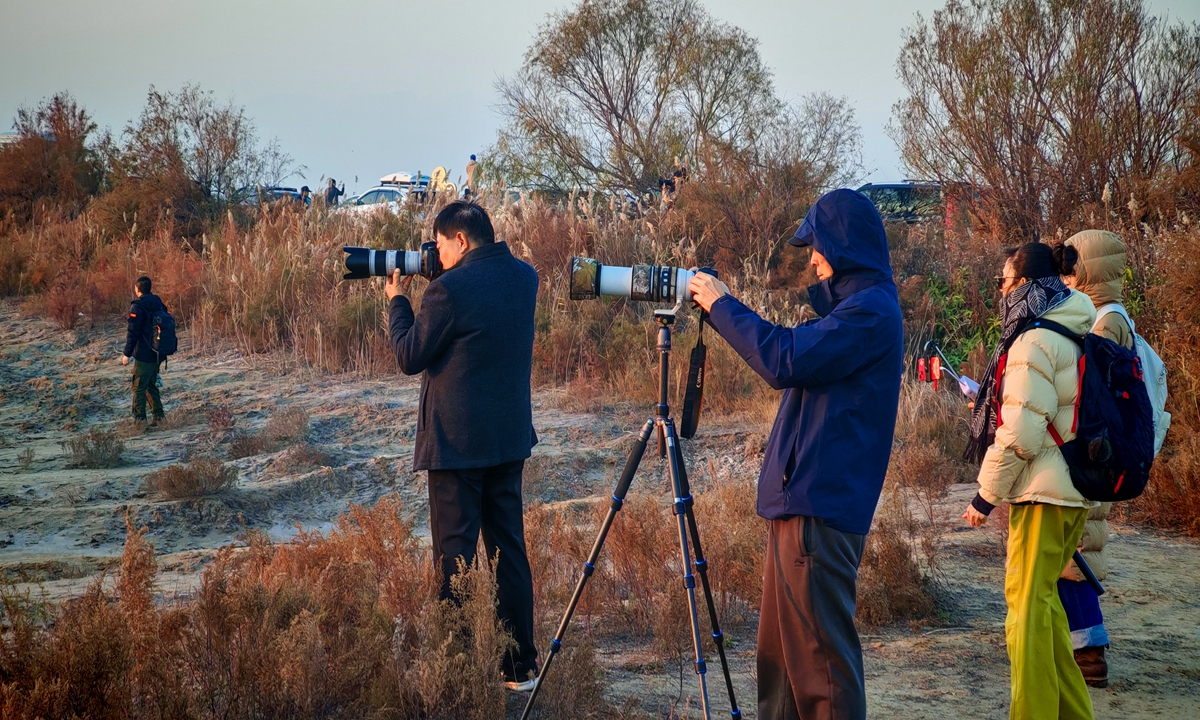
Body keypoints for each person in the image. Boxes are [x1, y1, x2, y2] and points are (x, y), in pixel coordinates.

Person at [689, 188, 904, 720]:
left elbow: (782, 359)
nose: (811, 259)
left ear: (845, 247)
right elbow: (790, 354)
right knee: (782, 667)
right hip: (804, 506)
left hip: (819, 511)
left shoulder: (869, 313)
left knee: (821, 673)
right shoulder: (856, 309)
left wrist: (721, 303)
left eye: (819, 246)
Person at [385, 200, 540, 690]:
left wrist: (397, 302)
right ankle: (518, 669)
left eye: (440, 245)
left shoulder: (447, 291)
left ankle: (455, 670)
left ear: (461, 240)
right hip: (507, 438)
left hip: (456, 445)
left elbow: (410, 356)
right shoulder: (526, 278)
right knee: (508, 551)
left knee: (455, 556)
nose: (437, 256)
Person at [962, 242, 1097, 720]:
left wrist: (985, 495)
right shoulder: (1077, 327)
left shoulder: (1034, 340)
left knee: (1024, 613)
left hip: (1043, 492)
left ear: (1023, 285)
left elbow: (1020, 430)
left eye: (1002, 281)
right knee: (1044, 608)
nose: (999, 290)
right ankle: (1073, 714)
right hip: (1072, 492)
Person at [1057, 229, 1131, 687]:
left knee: (1076, 554)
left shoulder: (1105, 321)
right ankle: (1084, 648)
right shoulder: (1106, 316)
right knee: (1077, 550)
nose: (1065, 272)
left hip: (1092, 453)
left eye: (1071, 263)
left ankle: (1089, 654)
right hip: (1095, 452)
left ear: (1088, 268)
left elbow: (1088, 391)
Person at [121, 276, 168, 428]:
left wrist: (126, 354)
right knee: (149, 385)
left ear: (137, 289)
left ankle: (140, 421)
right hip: (159, 352)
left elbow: (133, 332)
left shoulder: (138, 307)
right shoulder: (159, 304)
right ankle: (159, 418)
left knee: (138, 387)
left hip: (144, 353)